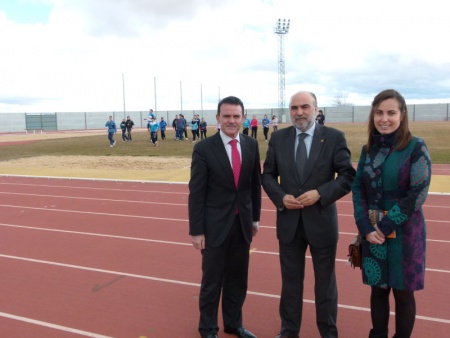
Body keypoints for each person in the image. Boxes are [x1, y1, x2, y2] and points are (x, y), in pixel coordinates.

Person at [261, 91, 355, 338]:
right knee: (290, 284)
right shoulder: (279, 138)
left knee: (325, 285)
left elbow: (347, 176)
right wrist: (281, 197)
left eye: (304, 107)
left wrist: (320, 194)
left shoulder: (334, 137)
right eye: (294, 108)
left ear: (316, 109)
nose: (299, 112)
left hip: (321, 223)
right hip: (289, 224)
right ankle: (289, 331)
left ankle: (328, 332)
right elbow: (267, 175)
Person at [351, 89, 431, 338]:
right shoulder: (369, 149)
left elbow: (417, 193)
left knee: (403, 292)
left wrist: (384, 227)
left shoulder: (416, 147)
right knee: (378, 290)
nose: (384, 119)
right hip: (372, 233)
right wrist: (365, 226)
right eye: (379, 113)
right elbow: (357, 188)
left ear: (402, 115)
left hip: (405, 232)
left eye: (391, 113)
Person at [189, 96, 261, 338]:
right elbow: (197, 193)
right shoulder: (203, 148)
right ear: (218, 118)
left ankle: (233, 324)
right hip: (214, 228)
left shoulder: (251, 145)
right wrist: (196, 230)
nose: (231, 120)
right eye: (226, 116)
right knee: (212, 283)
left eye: (236, 116)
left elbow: (254, 186)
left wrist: (255, 219)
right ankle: (208, 328)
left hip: (242, 226)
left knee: (238, 280)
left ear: (243, 118)